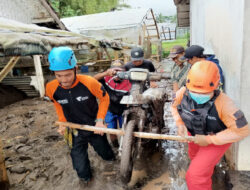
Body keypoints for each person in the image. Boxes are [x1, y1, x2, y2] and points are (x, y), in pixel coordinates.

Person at [171, 60, 249, 190]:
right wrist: (180, 124)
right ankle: (206, 172)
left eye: (204, 93)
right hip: (193, 134)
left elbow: (243, 130)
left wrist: (210, 139)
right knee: (195, 158)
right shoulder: (182, 93)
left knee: (195, 176)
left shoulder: (225, 104)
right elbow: (173, 106)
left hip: (216, 139)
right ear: (188, 84)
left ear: (217, 86)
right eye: (195, 91)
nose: (199, 95)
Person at [45, 46, 115, 186]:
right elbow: (57, 104)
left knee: (106, 154)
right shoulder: (51, 88)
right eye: (59, 76)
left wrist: (100, 120)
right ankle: (87, 181)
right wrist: (62, 122)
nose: (64, 80)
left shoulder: (89, 82)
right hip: (74, 130)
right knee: (81, 168)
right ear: (54, 73)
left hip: (94, 126)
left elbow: (104, 98)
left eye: (68, 75)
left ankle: (112, 165)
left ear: (75, 69)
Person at [94, 60, 131, 147]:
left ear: (124, 72)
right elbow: (92, 79)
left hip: (124, 111)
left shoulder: (129, 82)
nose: (116, 73)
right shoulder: (106, 79)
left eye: (119, 71)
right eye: (114, 71)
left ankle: (125, 148)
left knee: (125, 131)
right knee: (111, 131)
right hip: (109, 110)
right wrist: (105, 73)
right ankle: (115, 146)